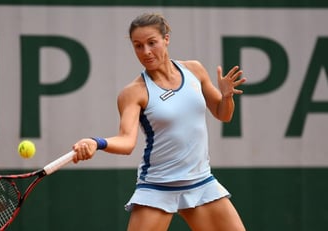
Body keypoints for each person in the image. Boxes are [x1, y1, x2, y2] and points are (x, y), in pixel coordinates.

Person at [72, 12, 246, 231]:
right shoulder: (133, 92)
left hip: (200, 182)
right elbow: (126, 142)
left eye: (152, 43)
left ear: (166, 39)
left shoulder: (194, 70)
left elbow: (223, 114)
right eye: (138, 46)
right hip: (157, 186)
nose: (146, 52)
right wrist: (96, 142)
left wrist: (227, 97)